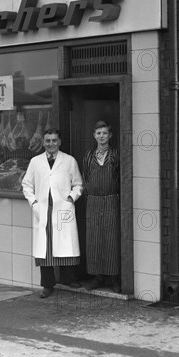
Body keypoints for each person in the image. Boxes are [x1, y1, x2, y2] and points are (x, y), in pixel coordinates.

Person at [22, 129, 83, 298]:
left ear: (59, 142)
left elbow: (78, 184)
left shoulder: (69, 161)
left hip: (62, 207)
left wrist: (71, 198)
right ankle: (48, 285)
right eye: (47, 141)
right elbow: (26, 185)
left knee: (65, 244)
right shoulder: (35, 162)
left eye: (54, 140)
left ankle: (68, 279)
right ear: (43, 143)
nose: (51, 144)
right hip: (43, 209)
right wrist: (33, 202)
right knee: (46, 248)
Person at [82, 120, 121, 293]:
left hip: (112, 200)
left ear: (110, 135)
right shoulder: (89, 156)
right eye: (98, 133)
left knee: (111, 239)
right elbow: (86, 177)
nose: (101, 136)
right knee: (94, 239)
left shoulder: (116, 155)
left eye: (104, 133)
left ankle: (114, 278)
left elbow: (121, 178)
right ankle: (97, 278)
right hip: (93, 202)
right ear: (94, 135)